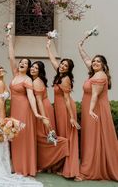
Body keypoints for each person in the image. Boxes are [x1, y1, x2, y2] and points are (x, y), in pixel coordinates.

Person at [77, 39, 118, 181]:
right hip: (91, 109)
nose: (94, 63)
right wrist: (80, 45)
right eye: (94, 61)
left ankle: (89, 171)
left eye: (98, 62)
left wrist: (90, 110)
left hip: (95, 110)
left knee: (93, 138)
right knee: (90, 137)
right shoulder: (95, 72)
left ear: (104, 66)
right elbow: (86, 59)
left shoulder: (100, 75)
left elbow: (94, 95)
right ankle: (89, 166)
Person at [7, 35, 47, 176]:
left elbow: (31, 97)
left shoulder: (28, 79)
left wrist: (36, 113)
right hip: (14, 109)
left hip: (24, 109)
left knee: (23, 136)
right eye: (21, 62)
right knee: (14, 135)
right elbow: (12, 58)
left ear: (28, 67)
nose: (22, 63)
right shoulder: (15, 74)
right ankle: (15, 164)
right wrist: (9, 40)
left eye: (26, 63)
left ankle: (24, 166)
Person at [46, 39, 80, 179]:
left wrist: (72, 117)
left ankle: (69, 169)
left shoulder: (65, 79)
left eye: (66, 66)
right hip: (58, 109)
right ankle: (60, 164)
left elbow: (66, 99)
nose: (62, 66)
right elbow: (53, 60)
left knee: (67, 137)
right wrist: (48, 46)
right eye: (62, 64)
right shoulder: (60, 74)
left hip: (66, 110)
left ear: (68, 69)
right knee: (61, 135)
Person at [30, 61, 69, 172]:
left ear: (40, 71)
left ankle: (47, 163)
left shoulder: (36, 82)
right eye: (32, 66)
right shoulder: (36, 80)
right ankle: (46, 164)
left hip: (43, 110)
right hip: (45, 108)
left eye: (36, 68)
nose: (32, 69)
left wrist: (43, 117)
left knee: (43, 136)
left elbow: (39, 101)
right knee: (46, 136)